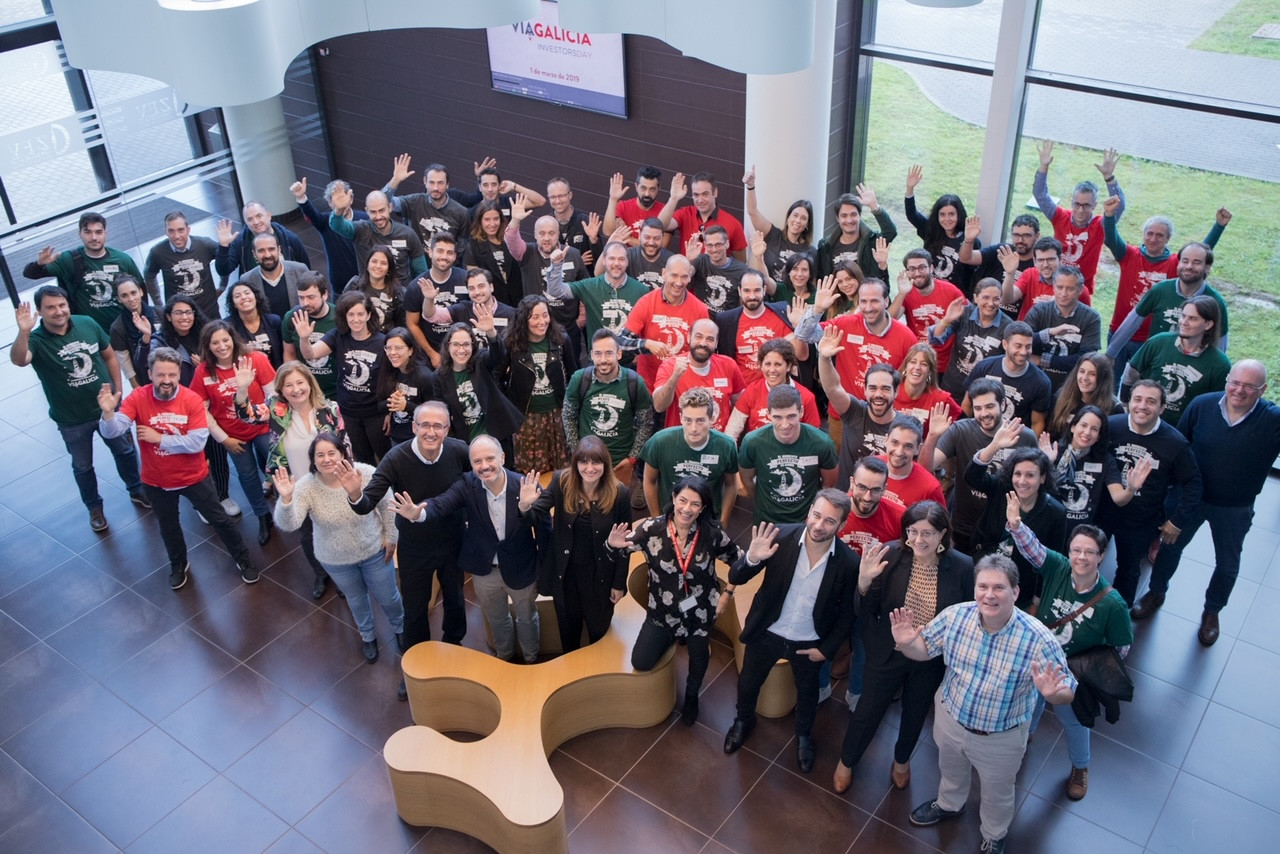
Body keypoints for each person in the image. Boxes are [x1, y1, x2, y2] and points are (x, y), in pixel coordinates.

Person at [893, 554, 1076, 854]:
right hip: (950, 719)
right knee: (950, 771)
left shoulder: (1038, 639)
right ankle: (950, 805)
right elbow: (924, 650)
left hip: (1000, 737)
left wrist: (1053, 694)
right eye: (983, 586)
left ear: (1015, 592)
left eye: (999, 588)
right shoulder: (956, 617)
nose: (989, 595)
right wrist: (906, 642)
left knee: (997, 793)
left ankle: (993, 834)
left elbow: (1066, 691)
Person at [1135, 361, 1280, 645]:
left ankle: (1212, 611)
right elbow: (1179, 445)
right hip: (1191, 499)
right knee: (1169, 549)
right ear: (1227, 380)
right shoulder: (1203, 404)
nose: (1239, 390)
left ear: (1262, 390)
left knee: (1227, 565)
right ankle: (1156, 591)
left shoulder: (1273, 419)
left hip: (1234, 508)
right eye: (1235, 382)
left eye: (1250, 386)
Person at [834, 501, 974, 794]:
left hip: (929, 657)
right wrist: (863, 582)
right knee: (868, 710)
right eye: (912, 532)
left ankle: (901, 760)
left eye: (927, 533)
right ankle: (847, 761)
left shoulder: (961, 567)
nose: (918, 540)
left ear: (943, 534)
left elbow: (965, 615)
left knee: (915, 712)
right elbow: (865, 609)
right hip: (888, 651)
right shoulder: (891, 554)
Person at [1005, 499, 1133, 802]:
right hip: (1038, 656)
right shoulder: (1059, 567)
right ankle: (1027, 735)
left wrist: (1088, 667)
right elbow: (1032, 548)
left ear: (1102, 556)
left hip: (1071, 672)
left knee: (1073, 721)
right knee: (1029, 699)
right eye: (1076, 550)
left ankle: (1080, 766)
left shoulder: (1112, 604)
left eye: (1090, 552)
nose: (1081, 557)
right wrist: (1015, 524)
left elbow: (1120, 648)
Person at [99, 347, 258, 589]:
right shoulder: (138, 397)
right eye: (160, 375)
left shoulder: (191, 399)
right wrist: (108, 414)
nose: (166, 380)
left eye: (172, 375)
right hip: (156, 481)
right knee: (168, 526)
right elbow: (114, 431)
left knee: (221, 521)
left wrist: (159, 439)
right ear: (149, 374)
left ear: (178, 375)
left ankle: (242, 558)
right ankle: (178, 564)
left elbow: (196, 443)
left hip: (194, 477)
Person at [723, 490, 858, 771]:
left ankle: (804, 736)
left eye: (830, 521)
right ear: (809, 511)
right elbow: (736, 576)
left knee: (808, 695)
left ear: (842, 526)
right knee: (748, 683)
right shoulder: (780, 537)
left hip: (809, 643)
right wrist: (751, 559)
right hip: (767, 632)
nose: (819, 525)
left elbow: (848, 614)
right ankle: (743, 720)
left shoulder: (848, 563)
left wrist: (826, 649)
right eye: (817, 515)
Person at [346, 401, 470, 698]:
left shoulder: (458, 450)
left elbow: (476, 482)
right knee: (415, 610)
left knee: (455, 599)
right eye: (424, 425)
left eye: (437, 425)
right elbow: (365, 505)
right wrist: (353, 492)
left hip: (452, 540)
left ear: (447, 428)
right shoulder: (395, 458)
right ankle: (417, 668)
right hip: (415, 547)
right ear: (413, 427)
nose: (430, 431)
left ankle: (454, 649)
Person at [608, 475, 743, 724]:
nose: (687, 509)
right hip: (662, 611)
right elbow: (619, 549)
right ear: (673, 498)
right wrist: (611, 544)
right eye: (682, 500)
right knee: (641, 660)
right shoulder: (652, 529)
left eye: (695, 504)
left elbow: (740, 562)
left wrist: (728, 592)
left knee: (699, 655)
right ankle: (672, 637)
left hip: (700, 611)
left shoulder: (712, 534)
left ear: (703, 508)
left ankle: (692, 696)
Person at [11, 288, 146, 532]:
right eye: (50, 307)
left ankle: (137, 489)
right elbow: (20, 360)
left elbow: (110, 357)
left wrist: (118, 391)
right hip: (71, 419)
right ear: (40, 311)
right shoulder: (36, 339)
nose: (58, 311)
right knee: (83, 466)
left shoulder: (87, 323)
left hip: (107, 410)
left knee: (125, 451)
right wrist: (23, 332)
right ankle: (94, 508)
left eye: (62, 305)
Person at [402, 435, 546, 663]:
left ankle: (531, 657)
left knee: (527, 618)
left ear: (503, 457)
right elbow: (442, 503)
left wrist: (526, 509)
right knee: (496, 619)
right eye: (477, 461)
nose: (484, 466)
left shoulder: (526, 486)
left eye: (490, 458)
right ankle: (504, 657)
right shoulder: (467, 485)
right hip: (485, 569)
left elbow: (544, 528)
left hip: (522, 567)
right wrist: (419, 513)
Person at [274, 433, 403, 663]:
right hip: (335, 559)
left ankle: (401, 629)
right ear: (312, 460)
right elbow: (290, 523)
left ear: (343, 454)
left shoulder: (364, 473)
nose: (326, 459)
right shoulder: (306, 486)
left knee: (388, 596)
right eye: (319, 455)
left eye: (332, 453)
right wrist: (286, 500)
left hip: (374, 551)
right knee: (356, 599)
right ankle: (368, 636)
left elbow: (387, 505)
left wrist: (391, 536)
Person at [238, 361, 346, 598]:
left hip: (328, 484)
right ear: (281, 389)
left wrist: (347, 480)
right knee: (307, 534)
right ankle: (320, 573)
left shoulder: (329, 409)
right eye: (289, 385)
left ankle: (341, 576)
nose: (296, 389)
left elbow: (344, 446)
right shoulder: (276, 408)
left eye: (300, 382)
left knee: (333, 530)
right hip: (295, 486)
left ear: (309, 383)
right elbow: (247, 415)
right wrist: (242, 389)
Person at [1101, 195, 1229, 382]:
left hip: (1150, 340)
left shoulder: (1174, 264)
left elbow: (1199, 253)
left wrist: (1218, 227)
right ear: (1143, 235)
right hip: (1121, 332)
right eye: (1149, 233)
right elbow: (1111, 240)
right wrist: (1109, 215)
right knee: (1111, 385)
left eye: (1160, 235)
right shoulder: (1129, 255)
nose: (1153, 238)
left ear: (1168, 239)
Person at [526, 436, 632, 652]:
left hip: (600, 576)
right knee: (568, 631)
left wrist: (619, 583)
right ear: (575, 464)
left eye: (596, 462)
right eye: (583, 462)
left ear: (605, 464)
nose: (590, 468)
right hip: (566, 576)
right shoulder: (561, 481)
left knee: (598, 632)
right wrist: (524, 505)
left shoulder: (620, 493)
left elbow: (625, 544)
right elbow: (534, 516)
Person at [1103, 380, 1202, 607]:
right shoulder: (1110, 426)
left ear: (1162, 408)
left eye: (1151, 401)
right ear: (1128, 402)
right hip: (1103, 512)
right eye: (1137, 399)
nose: (1142, 406)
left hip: (1141, 520)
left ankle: (1119, 620)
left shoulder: (1175, 443)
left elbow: (1193, 484)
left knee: (1128, 572)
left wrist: (1177, 521)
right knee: (1086, 559)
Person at [151, 295, 238, 518]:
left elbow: (221, 356)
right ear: (168, 316)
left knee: (216, 450)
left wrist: (206, 366)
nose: (185, 317)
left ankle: (222, 494)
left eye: (189, 312)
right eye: (178, 313)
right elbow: (154, 368)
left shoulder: (204, 333)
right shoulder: (161, 340)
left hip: (209, 402)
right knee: (193, 454)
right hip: (180, 406)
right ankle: (202, 502)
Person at [191, 321, 277, 545]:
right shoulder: (203, 371)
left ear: (234, 339)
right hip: (231, 434)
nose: (221, 346)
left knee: (277, 467)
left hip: (263, 427)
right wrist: (224, 439)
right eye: (215, 342)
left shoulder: (255, 359)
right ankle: (263, 516)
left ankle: (291, 508)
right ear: (207, 346)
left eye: (225, 340)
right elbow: (201, 410)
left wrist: (267, 419)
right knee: (247, 476)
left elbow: (274, 394)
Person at [966, 427, 1067, 606]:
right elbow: (972, 477)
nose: (1022, 481)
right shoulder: (1001, 488)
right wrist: (995, 445)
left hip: (1021, 583)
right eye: (1017, 474)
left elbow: (1052, 562)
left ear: (1042, 478)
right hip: (983, 565)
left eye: (1030, 475)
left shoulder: (1056, 512)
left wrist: (1037, 600)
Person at [295, 290, 388, 465]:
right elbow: (311, 354)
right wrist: (304, 339)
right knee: (361, 459)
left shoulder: (382, 342)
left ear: (369, 315)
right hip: (348, 412)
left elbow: (391, 379)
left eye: (360, 314)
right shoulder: (338, 336)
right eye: (350, 314)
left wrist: (389, 412)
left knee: (385, 456)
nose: (356, 319)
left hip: (376, 413)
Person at [1106, 242, 1229, 360]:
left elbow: (1220, 344)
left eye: (1196, 262)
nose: (1189, 266)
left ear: (1207, 267)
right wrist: (1110, 355)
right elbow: (1131, 322)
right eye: (1185, 261)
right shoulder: (1160, 290)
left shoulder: (1215, 302)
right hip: (1155, 362)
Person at [1032, 140, 1124, 297]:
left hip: (1081, 289)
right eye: (1077, 204)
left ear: (1095, 205)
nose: (1080, 210)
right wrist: (1044, 166)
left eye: (1086, 205)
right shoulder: (1060, 217)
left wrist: (1109, 178)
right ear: (1071, 202)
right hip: (1056, 282)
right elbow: (1040, 195)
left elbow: (1119, 207)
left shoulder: (1100, 225)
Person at [562, 328, 653, 487]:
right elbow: (568, 416)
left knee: (617, 507)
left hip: (620, 463)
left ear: (619, 354)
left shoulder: (634, 382)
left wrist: (632, 458)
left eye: (609, 353)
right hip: (588, 462)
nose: (603, 359)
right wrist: (578, 451)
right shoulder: (579, 379)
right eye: (598, 354)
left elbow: (646, 422)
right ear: (591, 355)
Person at [1121, 296, 1231, 425]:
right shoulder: (1158, 342)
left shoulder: (1220, 364)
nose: (1184, 322)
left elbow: (1215, 406)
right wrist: (1125, 405)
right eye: (1183, 316)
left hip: (1182, 431)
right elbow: (1131, 373)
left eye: (1193, 319)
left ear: (1208, 324)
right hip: (1144, 422)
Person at [738, 385, 838, 524]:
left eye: (791, 416)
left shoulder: (821, 443)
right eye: (778, 417)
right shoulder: (752, 442)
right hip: (766, 520)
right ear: (768, 414)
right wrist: (762, 501)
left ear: (801, 411)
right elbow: (747, 480)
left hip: (806, 521)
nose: (785, 425)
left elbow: (829, 484)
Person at [640, 387, 738, 525]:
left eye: (700, 421)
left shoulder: (726, 446)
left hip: (708, 518)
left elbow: (731, 485)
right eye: (688, 420)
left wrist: (723, 522)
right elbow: (649, 481)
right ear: (680, 418)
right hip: (670, 515)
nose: (693, 428)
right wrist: (657, 520)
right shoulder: (660, 441)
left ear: (712, 419)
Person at [1041, 405, 1150, 527]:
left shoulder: (1105, 460)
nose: (1087, 432)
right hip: (1051, 525)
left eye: (1094, 429)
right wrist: (1047, 463)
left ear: (1098, 436)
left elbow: (1119, 499)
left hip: (1083, 531)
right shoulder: (1053, 451)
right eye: (1083, 425)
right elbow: (1035, 489)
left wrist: (1131, 489)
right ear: (1073, 427)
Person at [498, 294, 573, 472]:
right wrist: (508, 407)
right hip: (525, 416)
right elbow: (497, 376)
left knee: (561, 468)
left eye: (545, 315)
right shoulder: (510, 341)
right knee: (530, 470)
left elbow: (573, 374)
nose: (542, 321)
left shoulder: (561, 339)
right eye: (535, 317)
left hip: (557, 414)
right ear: (524, 319)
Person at [506, 204, 589, 361]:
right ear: (535, 235)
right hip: (535, 327)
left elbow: (584, 287)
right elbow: (511, 240)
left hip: (569, 326)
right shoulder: (526, 253)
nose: (546, 238)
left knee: (572, 367)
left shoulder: (573, 254)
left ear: (558, 234)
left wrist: (581, 319)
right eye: (542, 233)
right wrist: (515, 221)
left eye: (551, 233)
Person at [816, 332, 900, 483]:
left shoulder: (903, 426)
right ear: (865, 390)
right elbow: (832, 388)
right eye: (873, 388)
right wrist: (824, 358)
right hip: (847, 498)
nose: (878, 394)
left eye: (886, 389)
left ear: (896, 391)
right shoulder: (855, 411)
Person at [547, 239, 650, 360]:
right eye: (612, 258)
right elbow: (556, 291)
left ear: (627, 261)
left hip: (629, 364)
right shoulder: (589, 286)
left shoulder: (641, 290)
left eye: (621, 259)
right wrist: (556, 265)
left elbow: (648, 327)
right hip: (598, 362)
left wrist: (642, 353)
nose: (616, 263)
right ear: (604, 260)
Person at [618, 254, 710, 390]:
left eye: (684, 277)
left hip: (685, 387)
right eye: (674, 275)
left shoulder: (700, 309)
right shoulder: (647, 302)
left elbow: (706, 349)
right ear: (664, 274)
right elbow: (620, 341)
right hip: (649, 386)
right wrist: (647, 344)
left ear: (690, 277)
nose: (679, 282)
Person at [434, 322, 523, 448]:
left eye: (466, 344)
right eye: (455, 344)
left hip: (496, 435)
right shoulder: (439, 377)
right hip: (466, 441)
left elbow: (497, 354)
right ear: (448, 346)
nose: (461, 350)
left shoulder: (480, 361)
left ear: (473, 346)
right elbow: (441, 413)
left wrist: (490, 332)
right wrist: (454, 443)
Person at [652, 318, 746, 432]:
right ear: (688, 337)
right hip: (682, 441)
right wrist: (675, 377)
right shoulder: (671, 366)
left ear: (716, 343)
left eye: (710, 339)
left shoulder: (728, 365)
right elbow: (659, 406)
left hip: (718, 442)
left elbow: (740, 403)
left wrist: (731, 435)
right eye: (698, 336)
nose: (703, 343)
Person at [714, 270, 805, 386]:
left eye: (757, 290)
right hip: (744, 393)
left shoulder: (780, 313)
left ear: (764, 290)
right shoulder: (726, 320)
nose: (752, 296)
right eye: (747, 290)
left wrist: (799, 328)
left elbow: (801, 355)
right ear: (739, 291)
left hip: (778, 391)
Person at [325, 187, 427, 288]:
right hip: (369, 295)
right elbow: (337, 225)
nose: (378, 217)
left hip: (400, 295)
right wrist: (339, 210)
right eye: (373, 212)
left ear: (390, 207)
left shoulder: (407, 233)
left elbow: (421, 270)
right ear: (367, 211)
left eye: (382, 210)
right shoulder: (360, 230)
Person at [962, 321, 1051, 435]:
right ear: (1005, 344)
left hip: (1014, 440)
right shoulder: (984, 367)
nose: (1023, 352)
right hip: (980, 434)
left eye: (1028, 347)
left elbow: (1037, 423)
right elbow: (967, 405)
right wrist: (967, 435)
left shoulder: (1041, 382)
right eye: (1018, 346)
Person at [1024, 265, 1102, 392]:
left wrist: (1041, 360)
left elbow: (1086, 359)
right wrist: (1051, 332)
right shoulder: (1039, 310)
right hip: (1034, 379)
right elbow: (1023, 341)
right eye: (1060, 287)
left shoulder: (1091, 318)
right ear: (1053, 287)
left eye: (1070, 289)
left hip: (1071, 385)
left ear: (1080, 290)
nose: (1063, 293)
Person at [888, 248, 966, 374]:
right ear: (907, 272)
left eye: (922, 267)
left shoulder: (951, 291)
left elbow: (968, 317)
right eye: (912, 269)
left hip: (945, 361)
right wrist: (902, 293)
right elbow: (890, 320)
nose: (917, 273)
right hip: (917, 358)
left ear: (931, 268)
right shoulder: (906, 293)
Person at [725, 338, 819, 441]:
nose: (772, 370)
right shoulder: (752, 391)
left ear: (788, 366)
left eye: (778, 364)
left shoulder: (806, 397)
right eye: (767, 364)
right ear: (761, 366)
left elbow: (814, 438)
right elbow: (732, 431)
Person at [290, 176, 368, 293]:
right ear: (330, 203)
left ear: (351, 199)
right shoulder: (325, 221)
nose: (340, 202)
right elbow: (312, 214)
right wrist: (301, 197)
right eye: (335, 198)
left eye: (343, 197)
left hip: (366, 280)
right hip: (340, 285)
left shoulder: (365, 218)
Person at [743, 164, 815, 286]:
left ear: (807, 225)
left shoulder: (810, 251)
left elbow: (811, 284)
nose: (798, 221)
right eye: (795, 215)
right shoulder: (773, 235)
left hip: (793, 300)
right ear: (788, 218)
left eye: (803, 218)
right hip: (768, 296)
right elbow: (752, 211)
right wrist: (751, 187)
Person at [142, 210, 221, 318]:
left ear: (188, 230)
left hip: (208, 313)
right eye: (171, 231)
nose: (176, 236)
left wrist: (222, 285)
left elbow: (225, 259)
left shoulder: (204, 245)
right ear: (166, 232)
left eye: (181, 230)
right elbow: (149, 275)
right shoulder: (158, 252)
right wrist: (159, 304)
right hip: (180, 318)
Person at [903, 165, 973, 287]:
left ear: (959, 215)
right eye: (942, 215)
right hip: (928, 289)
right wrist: (910, 189)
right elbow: (912, 215)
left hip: (954, 295)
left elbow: (971, 273)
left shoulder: (969, 240)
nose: (947, 219)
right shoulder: (931, 230)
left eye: (951, 214)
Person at [405, 234, 469, 364]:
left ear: (455, 257)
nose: (444, 257)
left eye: (450, 253)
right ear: (430, 252)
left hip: (463, 349)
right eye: (440, 251)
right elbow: (412, 324)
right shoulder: (416, 286)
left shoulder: (465, 279)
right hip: (431, 351)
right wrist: (431, 354)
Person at [382, 155, 470, 244]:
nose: (436, 188)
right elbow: (381, 203)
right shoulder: (414, 202)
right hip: (415, 257)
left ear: (447, 184)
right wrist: (395, 181)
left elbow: (462, 246)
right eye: (431, 182)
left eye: (440, 183)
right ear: (425, 181)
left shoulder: (461, 213)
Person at [815, 187, 897, 280]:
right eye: (844, 216)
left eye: (853, 214)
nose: (849, 220)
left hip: (867, 293)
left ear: (860, 215)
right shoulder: (825, 246)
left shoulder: (872, 241)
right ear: (838, 218)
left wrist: (874, 207)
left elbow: (891, 231)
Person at [215, 202, 310, 281]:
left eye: (259, 216)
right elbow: (223, 270)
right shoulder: (240, 243)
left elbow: (306, 270)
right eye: (250, 219)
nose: (256, 222)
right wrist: (223, 247)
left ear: (269, 215)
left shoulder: (290, 239)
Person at [281, 271, 338, 398]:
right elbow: (289, 354)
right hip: (305, 391)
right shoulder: (292, 318)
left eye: (311, 297)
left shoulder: (339, 318)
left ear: (325, 295)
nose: (305, 303)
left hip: (335, 391)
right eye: (301, 297)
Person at [957, 213, 1039, 301]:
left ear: (1037, 236)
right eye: (1016, 235)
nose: (1020, 240)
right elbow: (966, 258)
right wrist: (969, 240)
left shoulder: (1040, 263)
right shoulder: (1002, 250)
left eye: (1026, 235)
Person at [668, 172, 748, 260]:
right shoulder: (685, 213)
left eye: (705, 194)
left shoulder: (733, 224)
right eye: (696, 195)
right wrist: (673, 199)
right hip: (687, 272)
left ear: (715, 193)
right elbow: (663, 225)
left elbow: (741, 262)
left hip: (716, 273)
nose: (700, 200)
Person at [375, 327, 435, 446]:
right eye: (388, 348)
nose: (392, 353)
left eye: (398, 348)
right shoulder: (389, 370)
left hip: (419, 439)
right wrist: (392, 403)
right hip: (396, 436)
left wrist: (406, 406)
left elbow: (433, 413)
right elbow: (379, 405)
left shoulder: (424, 376)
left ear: (410, 351)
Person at [894, 343, 961, 442]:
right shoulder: (891, 390)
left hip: (922, 452)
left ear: (930, 371)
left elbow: (962, 426)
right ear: (906, 367)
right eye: (913, 362)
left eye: (924, 364)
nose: (917, 367)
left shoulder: (941, 400)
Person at [463, 199, 523, 308]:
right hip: (491, 305)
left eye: (496, 219)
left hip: (517, 300)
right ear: (480, 221)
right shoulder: (473, 247)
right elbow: (475, 281)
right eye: (487, 219)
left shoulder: (509, 239)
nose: (492, 224)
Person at [877, 415, 946, 509]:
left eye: (908, 446)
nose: (899, 452)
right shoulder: (868, 468)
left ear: (918, 449)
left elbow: (939, 522)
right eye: (895, 442)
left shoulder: (930, 488)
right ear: (886, 440)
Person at [237, 232, 310, 318]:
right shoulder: (246, 280)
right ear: (254, 254)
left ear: (279, 250)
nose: (267, 255)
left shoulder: (299, 270)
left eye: (271, 249)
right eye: (261, 251)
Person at [107, 275, 162, 389]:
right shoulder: (117, 328)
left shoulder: (159, 313)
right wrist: (136, 387)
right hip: (144, 378)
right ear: (118, 299)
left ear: (141, 292)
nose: (131, 299)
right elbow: (125, 363)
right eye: (124, 296)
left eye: (133, 293)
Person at [1047, 353, 1119, 438]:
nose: (1084, 378)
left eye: (1092, 374)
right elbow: (1050, 431)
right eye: (1081, 371)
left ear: (1103, 378)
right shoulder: (1061, 396)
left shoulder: (1114, 408)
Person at [603, 166, 682, 243]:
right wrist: (613, 199)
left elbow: (661, 247)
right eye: (643, 188)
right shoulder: (623, 206)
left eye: (652, 189)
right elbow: (608, 232)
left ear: (658, 188)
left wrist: (628, 237)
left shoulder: (665, 211)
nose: (647, 194)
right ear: (636, 186)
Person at [687, 225, 751, 314]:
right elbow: (684, 279)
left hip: (726, 322)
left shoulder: (742, 270)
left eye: (718, 244)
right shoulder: (700, 260)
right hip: (701, 319)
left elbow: (744, 306)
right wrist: (690, 260)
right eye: (710, 245)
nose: (714, 249)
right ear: (705, 245)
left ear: (727, 244)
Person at [346, 246, 405, 334]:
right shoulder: (355, 285)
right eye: (374, 261)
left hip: (385, 341)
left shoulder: (398, 292)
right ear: (367, 265)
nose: (378, 266)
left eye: (383, 263)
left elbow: (400, 327)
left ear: (389, 268)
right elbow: (342, 313)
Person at [547, 176, 605, 265]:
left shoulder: (585, 222)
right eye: (553, 197)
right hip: (556, 278)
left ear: (570, 195)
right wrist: (576, 261)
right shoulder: (545, 224)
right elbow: (542, 261)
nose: (557, 201)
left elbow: (600, 260)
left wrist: (594, 240)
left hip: (584, 277)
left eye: (561, 196)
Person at [224, 281, 284, 368]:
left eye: (247, 293)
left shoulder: (274, 321)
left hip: (275, 372)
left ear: (256, 297)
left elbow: (284, 351)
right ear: (234, 304)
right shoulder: (228, 326)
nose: (244, 297)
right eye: (237, 296)